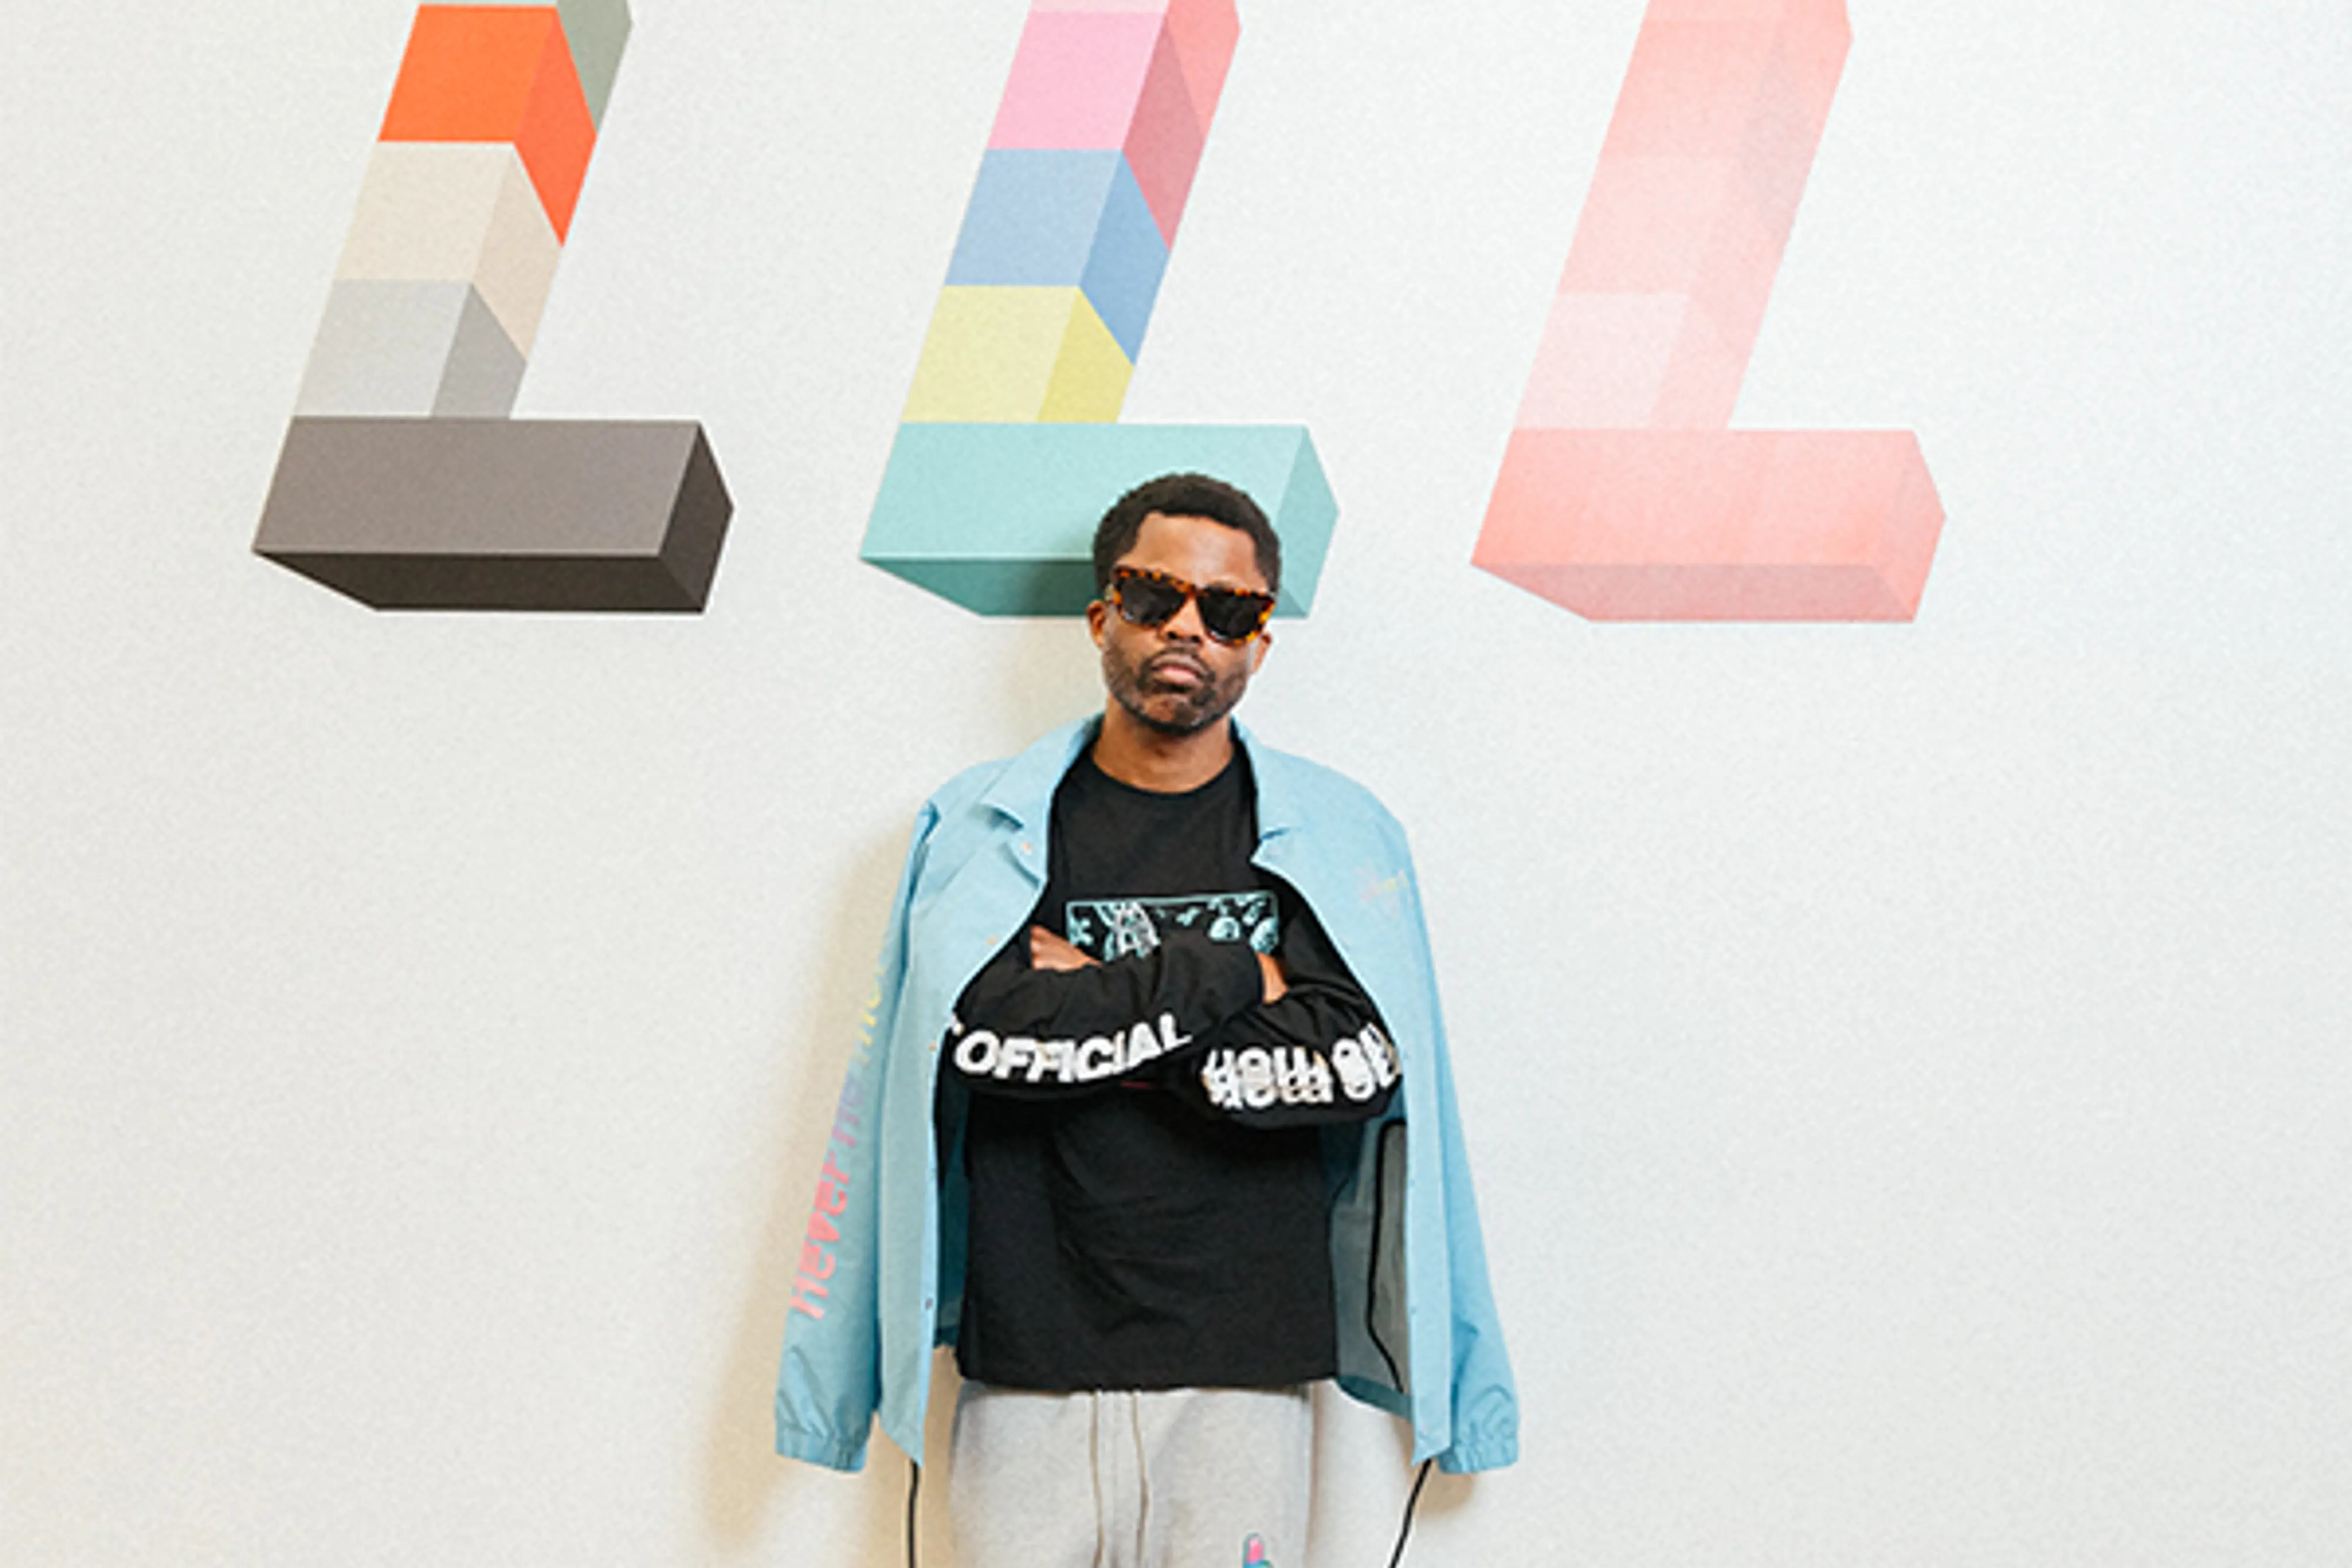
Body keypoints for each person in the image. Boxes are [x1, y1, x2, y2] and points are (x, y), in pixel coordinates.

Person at [775, 474, 1516, 1568]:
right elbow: (989, 1041)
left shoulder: (1337, 834)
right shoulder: (983, 828)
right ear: (1102, 615)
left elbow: (1356, 1064)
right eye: (1155, 595)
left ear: (1260, 642)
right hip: (1029, 1357)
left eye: (1229, 608)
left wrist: (1105, 1010)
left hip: (1246, 1364)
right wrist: (1241, 973)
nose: (1187, 627)